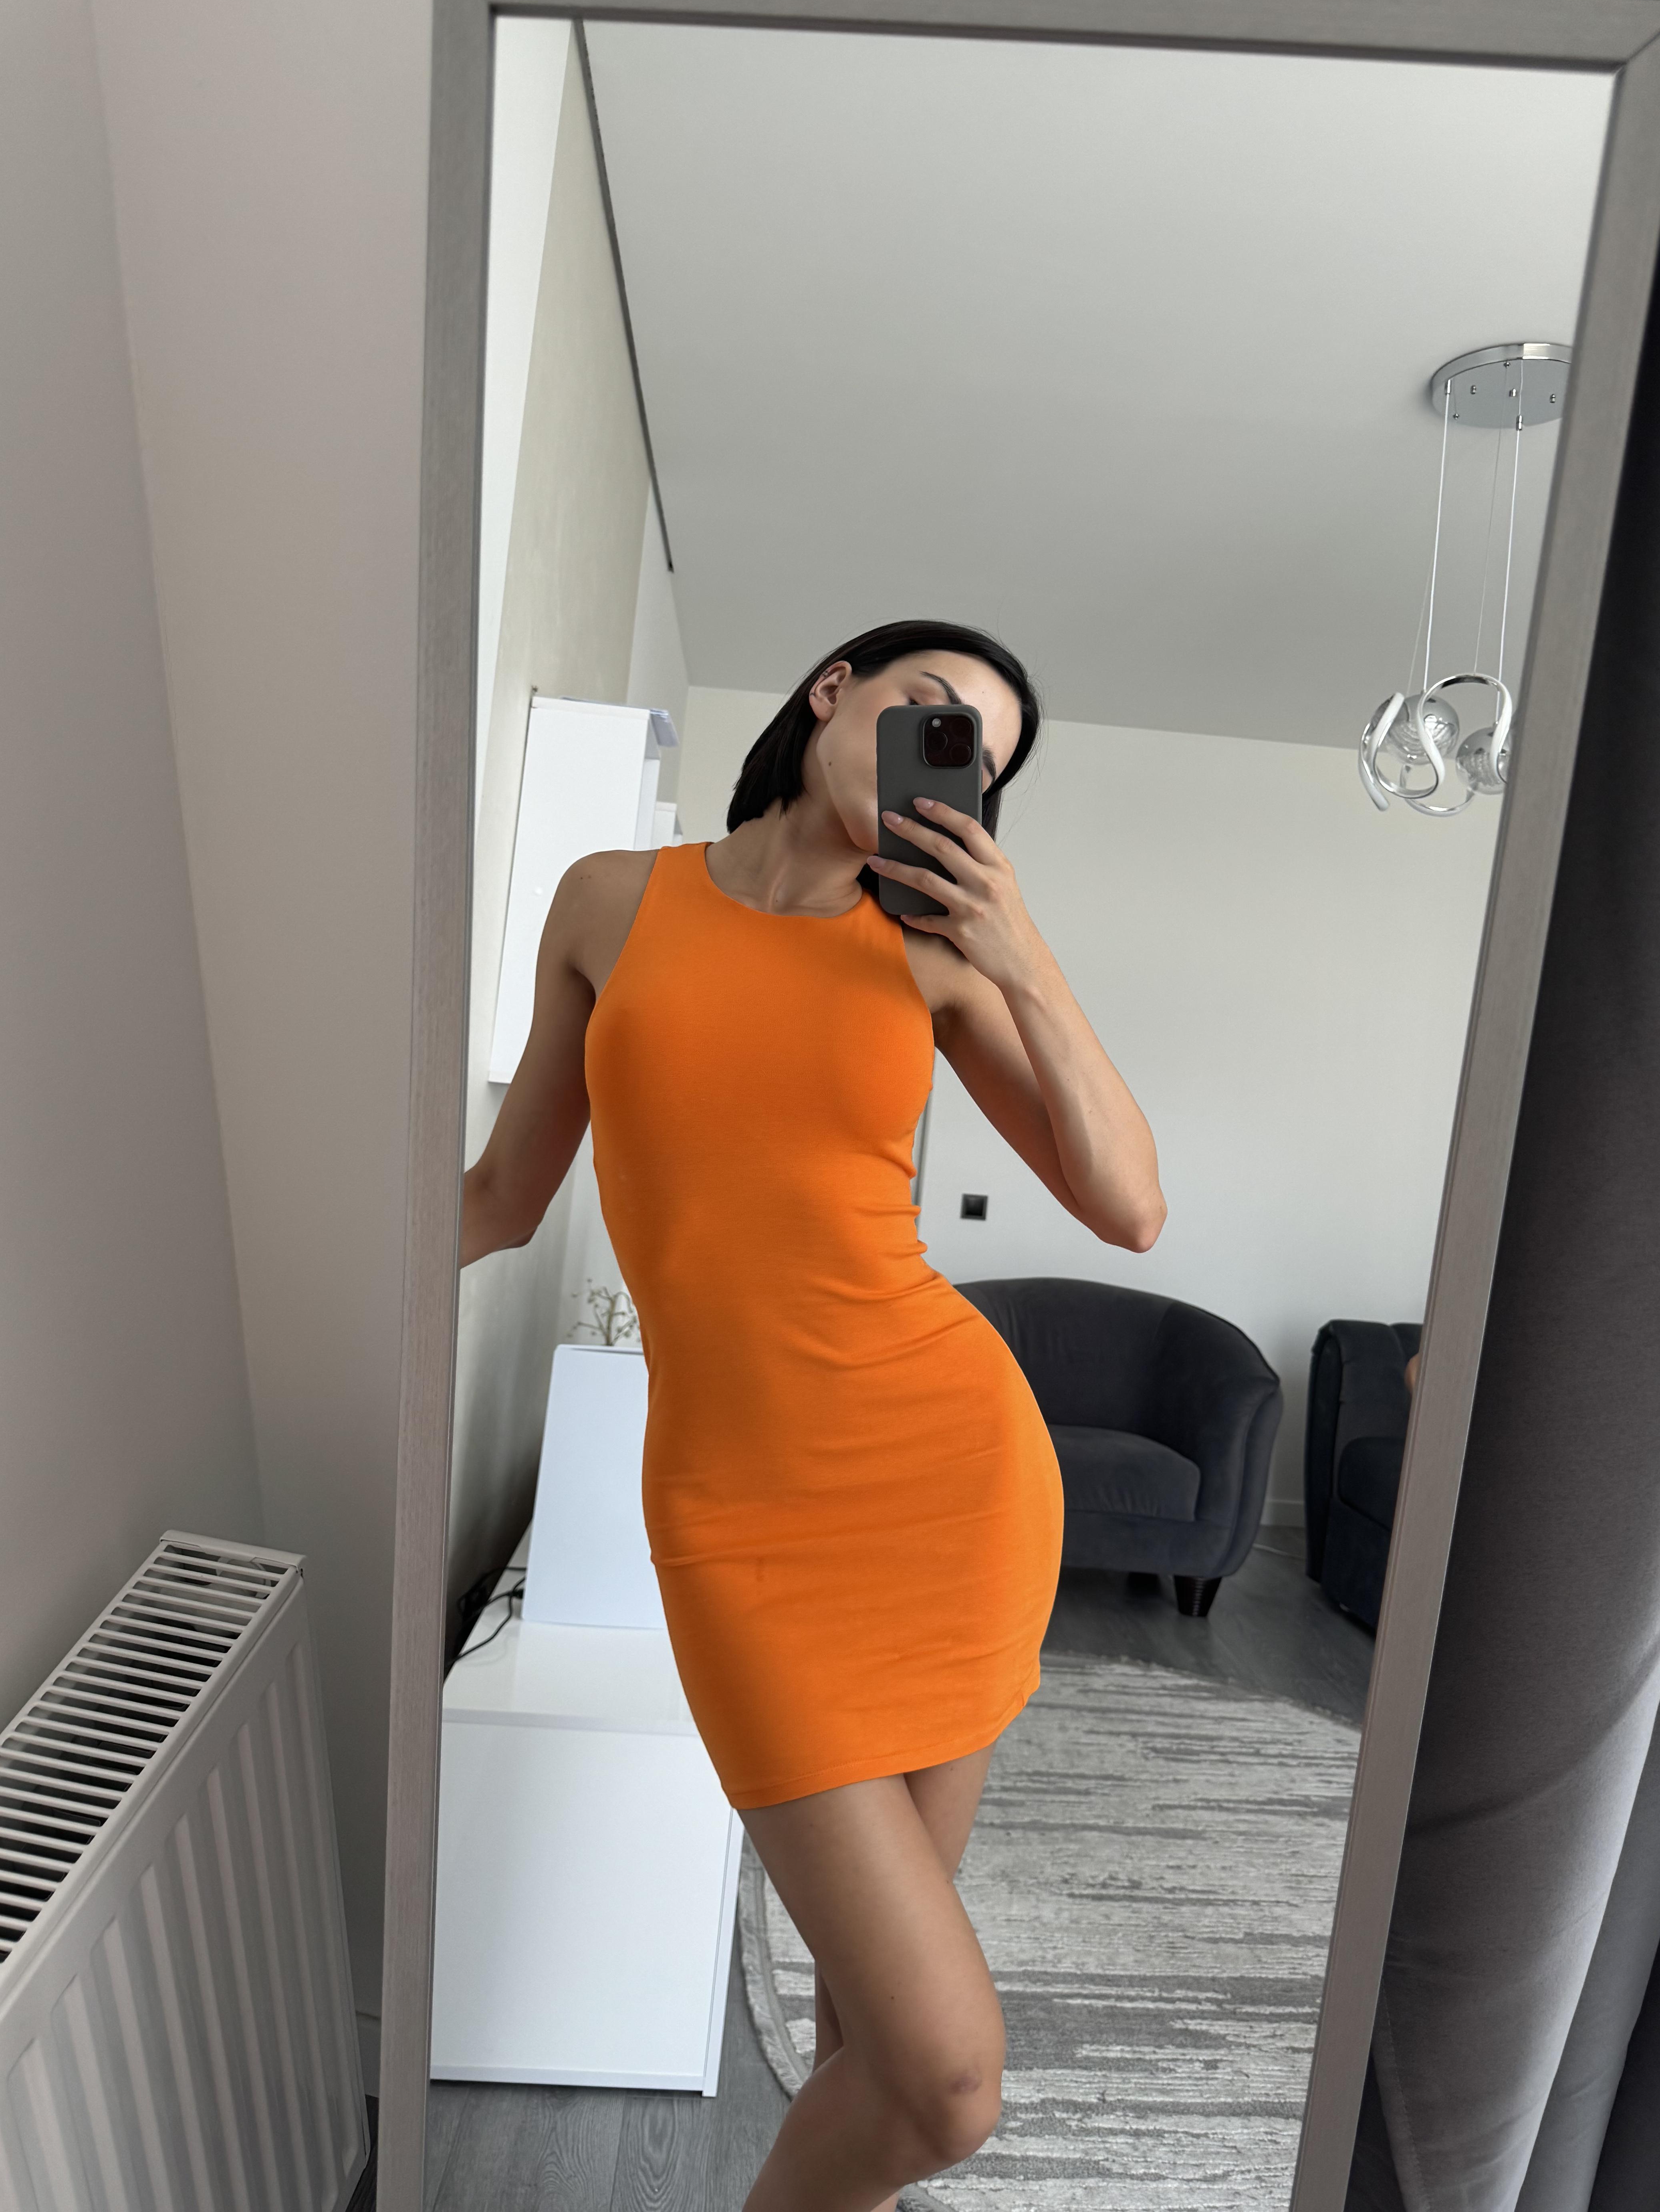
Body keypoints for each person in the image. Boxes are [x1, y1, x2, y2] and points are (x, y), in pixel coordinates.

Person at [461, 619, 1165, 2208]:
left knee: (879, 2045)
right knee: (944, 2078)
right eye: (931, 710)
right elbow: (502, 1200)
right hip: (735, 1525)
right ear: (834, 692)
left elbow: (1128, 1206)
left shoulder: (933, 955)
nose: (944, 755)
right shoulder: (609, 900)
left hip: (952, 1488)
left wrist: (1020, 951)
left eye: (978, 757)